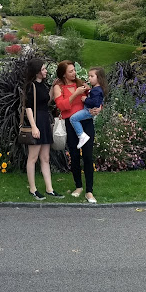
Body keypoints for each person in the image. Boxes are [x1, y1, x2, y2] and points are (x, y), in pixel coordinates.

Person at [53, 60, 101, 204]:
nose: (74, 73)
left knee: (87, 156)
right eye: (70, 71)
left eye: (74, 70)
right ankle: (78, 186)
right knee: (74, 155)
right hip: (70, 124)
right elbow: (62, 106)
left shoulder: (81, 84)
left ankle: (89, 191)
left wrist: (99, 108)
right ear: (63, 74)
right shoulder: (58, 87)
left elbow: (96, 98)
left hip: (86, 123)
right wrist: (75, 94)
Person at [23, 58, 64, 200]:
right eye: (43, 69)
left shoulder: (43, 85)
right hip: (36, 121)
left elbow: (46, 101)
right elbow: (28, 107)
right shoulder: (30, 86)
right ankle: (33, 189)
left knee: (45, 158)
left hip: (45, 121)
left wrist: (52, 88)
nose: (46, 71)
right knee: (33, 158)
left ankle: (49, 189)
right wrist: (34, 126)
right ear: (36, 72)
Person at [70, 67, 107, 149]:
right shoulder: (96, 88)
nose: (89, 78)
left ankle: (81, 135)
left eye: (92, 76)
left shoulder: (96, 90)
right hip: (89, 110)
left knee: (73, 119)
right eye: (89, 76)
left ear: (99, 78)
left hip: (88, 111)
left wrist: (85, 99)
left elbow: (95, 102)